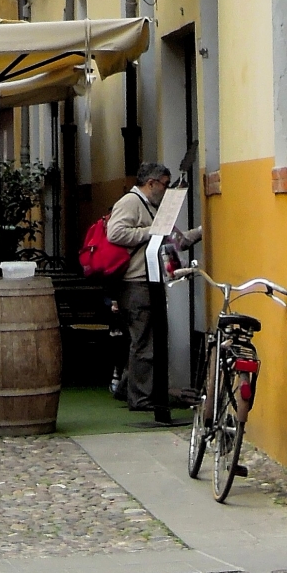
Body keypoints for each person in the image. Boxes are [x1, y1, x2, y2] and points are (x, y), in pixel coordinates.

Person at [106, 162, 172, 418]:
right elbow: (116, 233)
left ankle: (129, 388)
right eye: (164, 185)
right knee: (144, 341)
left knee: (144, 339)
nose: (165, 190)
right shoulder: (131, 202)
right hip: (135, 282)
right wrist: (151, 232)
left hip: (145, 280)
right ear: (152, 183)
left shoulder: (147, 205)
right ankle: (140, 397)